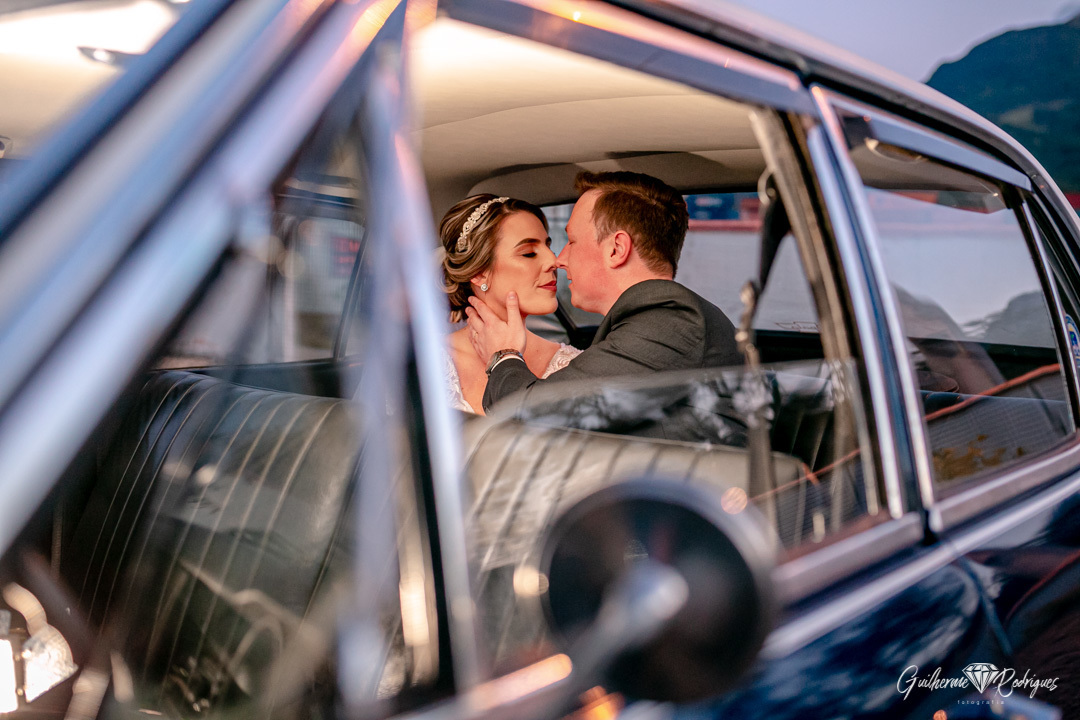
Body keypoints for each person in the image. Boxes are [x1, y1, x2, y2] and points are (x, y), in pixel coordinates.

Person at [466, 171, 741, 413]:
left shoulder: (671, 321)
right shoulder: (651, 324)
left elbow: (531, 417)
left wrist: (503, 354)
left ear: (616, 249)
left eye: (571, 241)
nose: (558, 259)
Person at [440, 194, 581, 414]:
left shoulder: (574, 365)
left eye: (547, 246)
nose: (553, 261)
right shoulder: (423, 363)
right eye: (528, 253)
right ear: (479, 273)